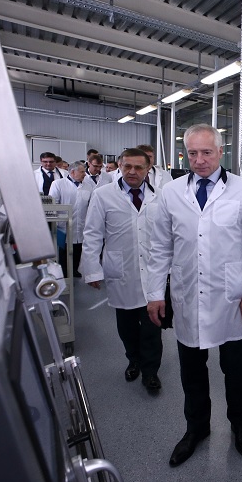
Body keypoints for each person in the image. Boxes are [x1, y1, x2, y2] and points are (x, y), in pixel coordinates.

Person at [146, 124, 242, 467]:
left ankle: (239, 424)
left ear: (220, 152)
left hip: (231, 298)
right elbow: (160, 246)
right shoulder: (171, 192)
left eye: (207, 152)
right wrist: (155, 293)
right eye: (193, 153)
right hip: (187, 295)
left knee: (236, 370)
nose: (199, 160)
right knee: (192, 371)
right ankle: (196, 428)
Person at [81, 148, 163, 394]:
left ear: (148, 169)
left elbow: (168, 236)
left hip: (153, 272)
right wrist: (92, 270)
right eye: (127, 166)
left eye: (139, 167)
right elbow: (92, 233)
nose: (132, 172)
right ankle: (133, 360)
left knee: (152, 326)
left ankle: (150, 372)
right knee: (126, 325)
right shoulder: (103, 195)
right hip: (121, 270)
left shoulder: (160, 196)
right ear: (119, 166)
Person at [49, 161, 94, 278]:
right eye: (82, 172)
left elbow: (91, 205)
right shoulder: (58, 184)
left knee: (78, 249)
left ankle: (74, 270)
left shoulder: (88, 186)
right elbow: (53, 205)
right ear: (73, 172)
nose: (85, 174)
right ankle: (64, 274)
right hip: (63, 226)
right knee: (64, 251)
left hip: (81, 225)